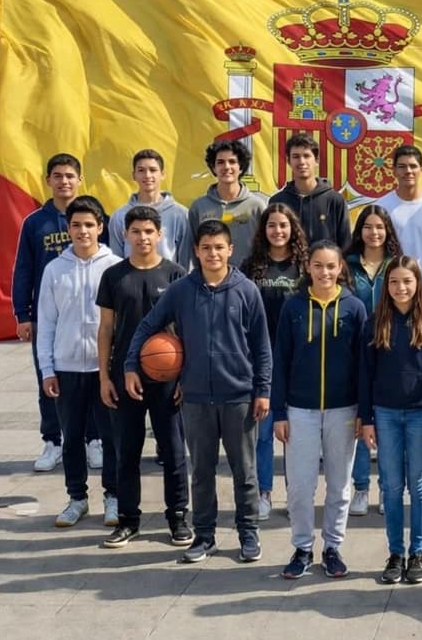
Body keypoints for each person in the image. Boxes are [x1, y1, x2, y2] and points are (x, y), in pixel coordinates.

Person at [124, 220, 272, 565]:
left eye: (219, 247)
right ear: (196, 250)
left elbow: (262, 347)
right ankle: (204, 536)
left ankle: (248, 533)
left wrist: (262, 391)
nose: (213, 253)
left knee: (244, 472)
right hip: (195, 399)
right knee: (202, 472)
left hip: (238, 396)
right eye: (206, 247)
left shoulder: (246, 290)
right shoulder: (181, 290)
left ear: (230, 250)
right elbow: (148, 325)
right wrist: (132, 363)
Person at [272, 241, 368, 579]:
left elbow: (363, 366)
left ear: (341, 267)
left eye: (331, 266)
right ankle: (301, 546)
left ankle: (332, 547)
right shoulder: (293, 307)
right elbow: (280, 360)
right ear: (307, 268)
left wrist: (363, 413)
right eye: (318, 265)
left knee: (340, 485)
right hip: (300, 409)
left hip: (344, 410)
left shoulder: (354, 308)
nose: (324, 272)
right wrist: (279, 413)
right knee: (300, 486)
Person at [96, 206, 191, 548]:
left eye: (148, 231)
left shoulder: (176, 274)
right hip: (126, 374)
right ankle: (128, 519)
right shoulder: (113, 276)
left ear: (160, 234)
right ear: (126, 235)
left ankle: (178, 516)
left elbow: (186, 330)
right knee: (127, 451)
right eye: (135, 231)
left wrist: (184, 377)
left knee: (174, 450)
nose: (142, 237)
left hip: (168, 376)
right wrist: (106, 377)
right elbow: (106, 328)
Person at [359, 257, 422, 584]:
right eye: (394, 282)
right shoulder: (374, 323)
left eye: (407, 282)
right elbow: (365, 373)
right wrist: (366, 418)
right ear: (386, 286)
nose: (401, 288)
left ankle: (418, 552)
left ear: (418, 284)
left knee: (419, 484)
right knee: (392, 486)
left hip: (421, 413)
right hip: (385, 413)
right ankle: (396, 552)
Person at [37, 196, 121, 527]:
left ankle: (113, 496)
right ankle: (77, 498)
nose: (83, 231)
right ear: (68, 229)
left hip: (105, 370)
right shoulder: (55, 269)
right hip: (67, 367)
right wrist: (47, 369)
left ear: (101, 227)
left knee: (112, 437)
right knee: (71, 437)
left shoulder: (114, 267)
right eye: (76, 225)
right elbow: (47, 323)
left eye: (89, 224)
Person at [14, 153, 82, 473]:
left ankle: (91, 439)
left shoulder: (94, 217)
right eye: (58, 176)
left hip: (86, 314)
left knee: (90, 380)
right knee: (48, 378)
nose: (64, 181)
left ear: (80, 180)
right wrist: (22, 314)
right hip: (47, 318)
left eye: (70, 175)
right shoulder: (34, 223)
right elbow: (23, 270)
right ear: (48, 181)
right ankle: (53, 441)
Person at [241, 204, 308, 520]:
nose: (278, 231)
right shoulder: (251, 266)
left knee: (294, 434)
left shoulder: (305, 267)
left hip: (298, 358)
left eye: (284, 225)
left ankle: (295, 495)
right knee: (264, 433)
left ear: (293, 228)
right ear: (263, 230)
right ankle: (264, 492)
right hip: (261, 360)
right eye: (272, 225)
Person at [345, 206, 402, 517]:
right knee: (361, 418)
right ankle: (362, 487)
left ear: (388, 231)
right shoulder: (347, 266)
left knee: (387, 421)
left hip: (391, 351)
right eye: (368, 227)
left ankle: (387, 487)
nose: (374, 233)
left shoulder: (397, 266)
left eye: (380, 227)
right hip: (355, 349)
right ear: (360, 231)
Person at [188, 139, 268, 268]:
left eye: (232, 162)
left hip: (249, 280)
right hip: (210, 281)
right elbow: (192, 248)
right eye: (220, 162)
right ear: (213, 168)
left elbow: (266, 246)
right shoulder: (199, 207)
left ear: (241, 167)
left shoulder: (257, 206)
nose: (226, 167)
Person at [108, 149, 193, 268]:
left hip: (170, 285)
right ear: (134, 175)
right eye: (141, 170)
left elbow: (186, 262)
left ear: (162, 174)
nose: (147, 175)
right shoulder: (119, 216)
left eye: (153, 170)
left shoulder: (181, 214)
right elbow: (115, 260)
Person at [269, 133, 351, 250]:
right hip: (289, 268)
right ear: (289, 161)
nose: (302, 162)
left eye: (306, 156)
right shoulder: (278, 201)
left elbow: (345, 244)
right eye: (296, 156)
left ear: (316, 160)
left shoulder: (335, 200)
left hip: (325, 267)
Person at [374, 144, 422, 266]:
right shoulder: (381, 206)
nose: (408, 171)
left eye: (413, 166)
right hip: (393, 280)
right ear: (394, 171)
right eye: (402, 166)